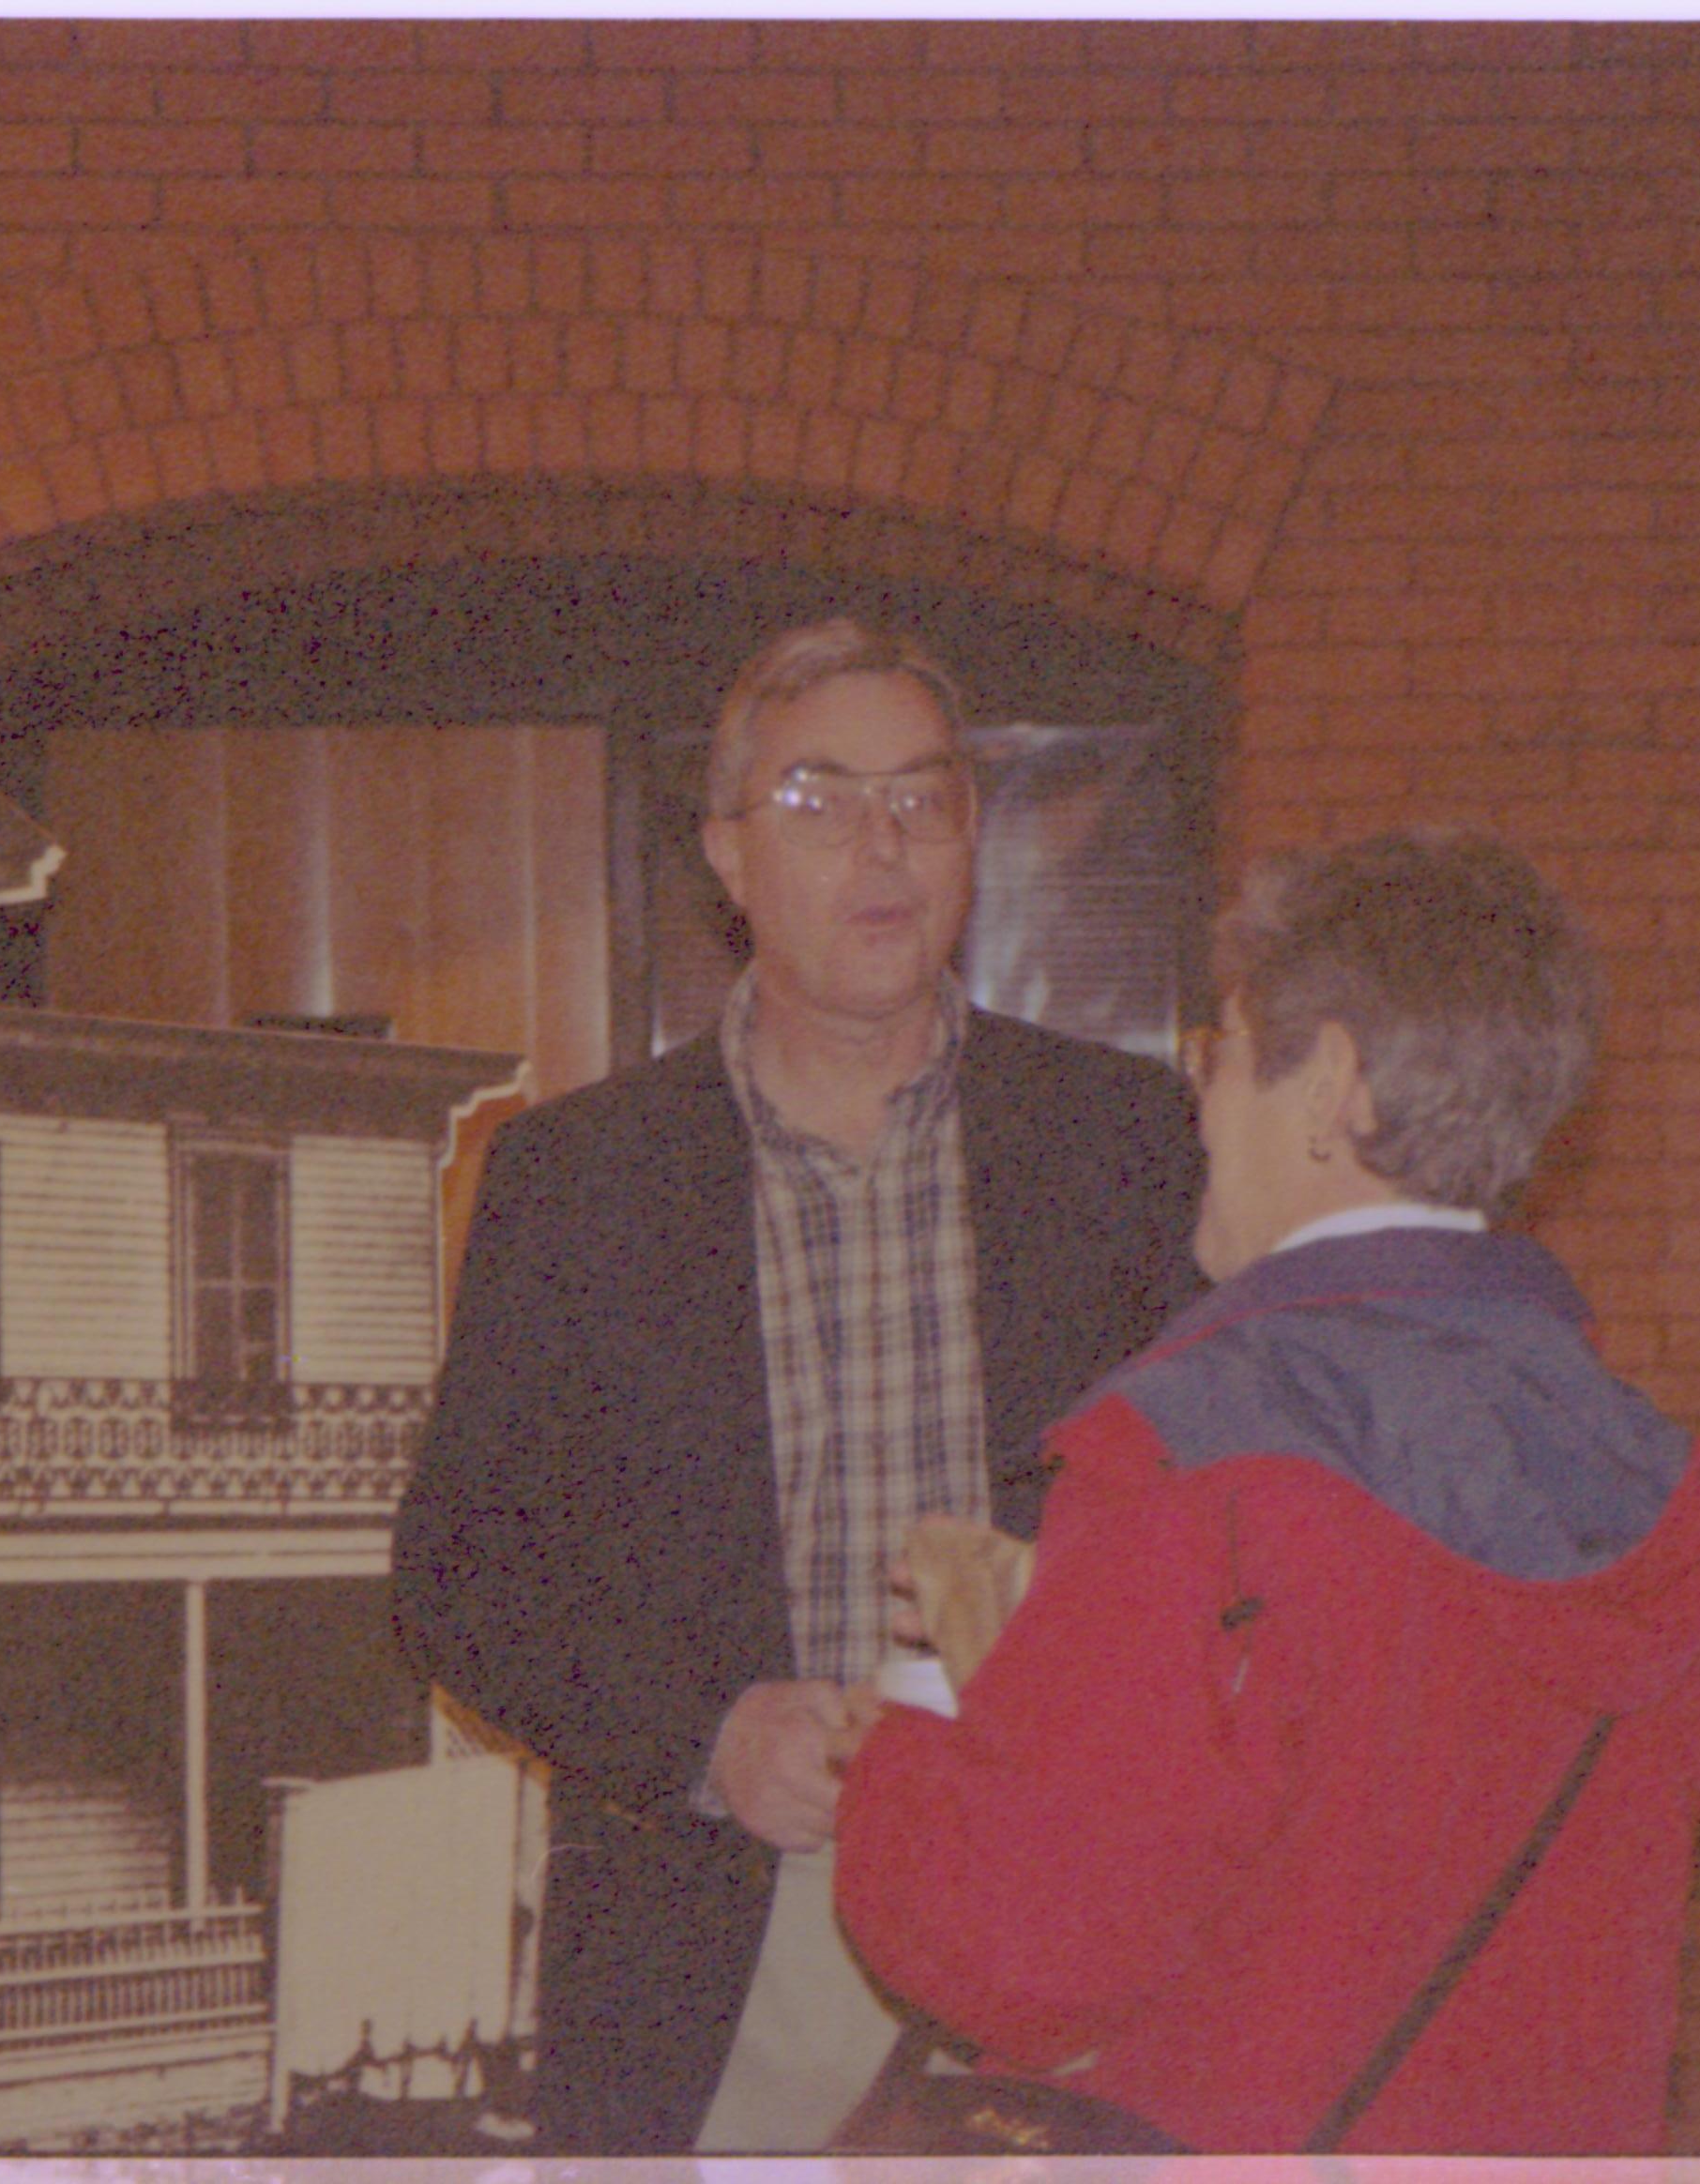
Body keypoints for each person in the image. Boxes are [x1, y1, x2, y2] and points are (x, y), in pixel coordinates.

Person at [388, 617, 1203, 2153]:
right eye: (822, 801)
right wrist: (704, 1738)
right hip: (713, 1944)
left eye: (925, 797)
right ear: (727, 855)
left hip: (1058, 1917)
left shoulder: (1127, 1143)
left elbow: (1229, 1538)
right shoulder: (580, 1180)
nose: (884, 845)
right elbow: (461, 1576)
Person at [830, 828, 1700, 2153]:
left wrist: (915, 1725)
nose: (1197, 1101)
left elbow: (1018, 1958)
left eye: (1221, 1057)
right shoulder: (1642, 1472)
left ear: (1328, 1089)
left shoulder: (1190, 1460)